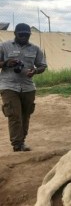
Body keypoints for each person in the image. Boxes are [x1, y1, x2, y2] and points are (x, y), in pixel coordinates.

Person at [0, 23, 47, 152]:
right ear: (15, 33)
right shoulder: (4, 46)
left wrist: (35, 71)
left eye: (27, 35)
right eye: (21, 34)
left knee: (26, 115)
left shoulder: (35, 49)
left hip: (28, 87)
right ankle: (17, 144)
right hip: (8, 85)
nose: (24, 37)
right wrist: (6, 63)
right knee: (14, 115)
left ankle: (22, 140)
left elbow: (42, 65)